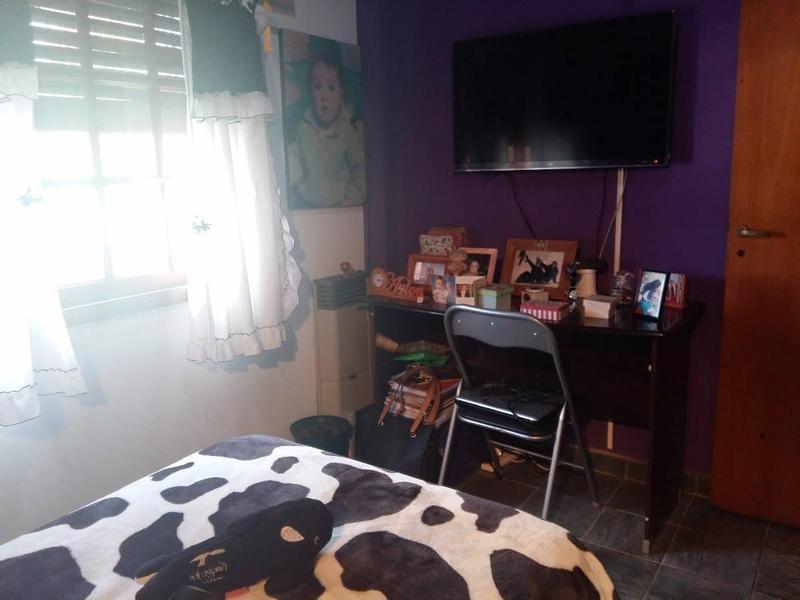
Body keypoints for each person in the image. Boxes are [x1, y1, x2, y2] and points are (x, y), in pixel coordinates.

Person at [288, 52, 366, 208]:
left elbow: (361, 169)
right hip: (310, 205)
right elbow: (293, 158)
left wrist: (351, 199)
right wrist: (294, 187)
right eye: (317, 87)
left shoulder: (347, 132)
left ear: (341, 96)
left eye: (331, 88)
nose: (324, 96)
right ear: (310, 93)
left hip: (342, 206)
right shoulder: (303, 129)